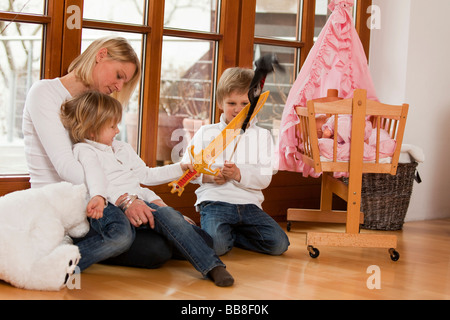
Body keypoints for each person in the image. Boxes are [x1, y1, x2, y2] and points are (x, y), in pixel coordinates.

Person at [22, 37, 174, 272]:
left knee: (167, 238)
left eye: (125, 81)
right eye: (119, 75)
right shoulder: (44, 93)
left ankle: (79, 251)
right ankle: (53, 262)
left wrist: (149, 200)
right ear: (101, 55)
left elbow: (115, 167)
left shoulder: (94, 106)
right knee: (156, 250)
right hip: (61, 208)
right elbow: (66, 168)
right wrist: (123, 199)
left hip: (94, 204)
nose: (119, 87)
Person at [60, 90, 234, 286]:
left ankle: (212, 266)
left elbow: (146, 175)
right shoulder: (84, 150)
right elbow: (95, 178)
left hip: (138, 202)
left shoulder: (122, 148)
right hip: (110, 205)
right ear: (92, 130)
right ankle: (65, 262)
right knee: (124, 236)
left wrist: (180, 168)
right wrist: (112, 198)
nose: (117, 130)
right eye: (111, 126)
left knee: (191, 231)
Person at [183, 67, 290, 256]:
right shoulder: (206, 133)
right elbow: (187, 171)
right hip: (215, 202)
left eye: (245, 103)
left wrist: (238, 174)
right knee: (217, 248)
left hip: (249, 205)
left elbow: (264, 179)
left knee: (279, 244)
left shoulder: (262, 135)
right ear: (220, 103)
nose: (238, 109)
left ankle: (232, 234)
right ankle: (216, 235)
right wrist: (209, 177)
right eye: (231, 102)